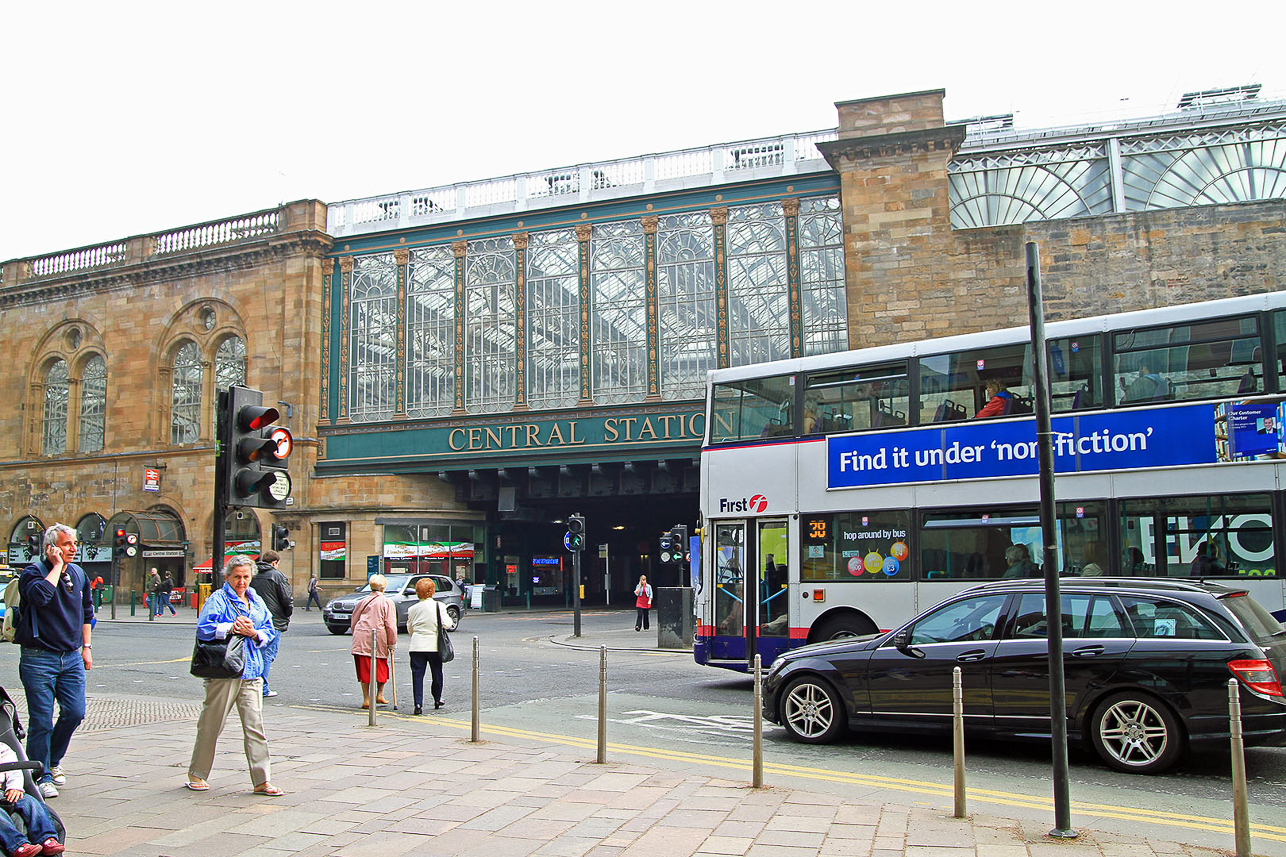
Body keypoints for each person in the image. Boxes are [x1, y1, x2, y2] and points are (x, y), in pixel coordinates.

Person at [186, 555, 282, 796]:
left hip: (251, 671)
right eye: (237, 577)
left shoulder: (256, 600)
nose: (241, 582)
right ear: (227, 577)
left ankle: (262, 780)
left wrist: (254, 632)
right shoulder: (218, 599)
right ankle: (197, 774)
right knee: (211, 724)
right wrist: (230, 627)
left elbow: (269, 630)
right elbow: (204, 629)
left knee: (255, 727)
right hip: (225, 672)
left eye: (246, 577)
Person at [16, 524, 92, 799]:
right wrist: (57, 567)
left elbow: (87, 612)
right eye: (66, 544)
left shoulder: (80, 573)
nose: (73, 548)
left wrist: (86, 647)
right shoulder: (32, 573)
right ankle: (40, 775)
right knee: (41, 720)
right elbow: (40, 596)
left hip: (71, 656)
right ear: (51, 547)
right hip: (39, 658)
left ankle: (53, 760)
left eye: (74, 543)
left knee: (75, 712)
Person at [0, 740, 63, 857]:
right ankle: (18, 845)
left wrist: (15, 787)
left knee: (32, 803)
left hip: (6, 790)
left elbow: (14, 769)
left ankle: (47, 838)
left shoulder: (3, 748)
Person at [406, 578, 456, 714]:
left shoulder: (412, 609)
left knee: (417, 675)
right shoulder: (439, 606)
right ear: (432, 591)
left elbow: (410, 629)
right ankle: (437, 698)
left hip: (417, 646)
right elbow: (447, 624)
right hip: (434, 645)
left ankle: (418, 704)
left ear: (417, 592)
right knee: (437, 673)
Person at [248, 551, 293, 699]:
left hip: (254, 620)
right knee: (268, 655)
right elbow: (286, 599)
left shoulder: (252, 574)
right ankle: (263, 688)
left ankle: (252, 685)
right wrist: (286, 614)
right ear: (274, 563)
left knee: (255, 653)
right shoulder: (277, 575)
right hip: (273, 621)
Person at [350, 574, 396, 709]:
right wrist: (392, 643)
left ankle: (366, 698)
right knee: (381, 666)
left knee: (364, 668)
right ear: (383, 588)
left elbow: (354, 620)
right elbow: (391, 625)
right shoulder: (387, 602)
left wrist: (355, 634)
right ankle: (379, 694)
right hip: (377, 636)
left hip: (361, 635)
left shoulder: (362, 601)